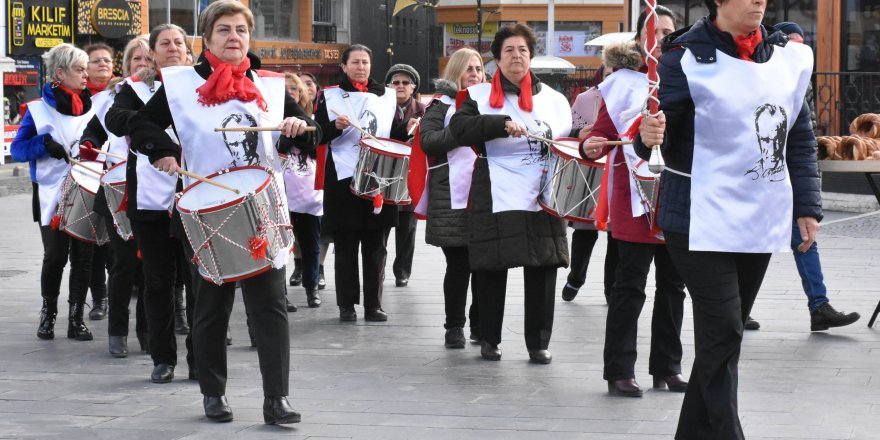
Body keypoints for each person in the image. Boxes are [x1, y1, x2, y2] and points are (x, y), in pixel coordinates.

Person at [636, 0, 820, 437]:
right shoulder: (681, 58)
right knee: (722, 332)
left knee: (725, 338)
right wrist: (647, 136)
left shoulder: (785, 57)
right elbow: (658, 133)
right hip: (698, 217)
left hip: (759, 215)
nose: (759, 0)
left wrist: (807, 206)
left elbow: (799, 135)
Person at [131, 0, 319, 423]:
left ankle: (277, 400)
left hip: (263, 210)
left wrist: (298, 129)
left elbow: (311, 131)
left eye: (241, 30)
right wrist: (161, 151)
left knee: (270, 307)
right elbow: (140, 124)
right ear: (207, 38)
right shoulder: (179, 84)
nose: (234, 37)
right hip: (207, 213)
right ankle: (213, 393)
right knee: (211, 309)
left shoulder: (270, 86)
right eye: (224, 30)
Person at [582, 6, 687, 398]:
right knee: (630, 286)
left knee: (674, 284)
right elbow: (600, 136)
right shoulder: (621, 84)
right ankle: (619, 369)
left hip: (676, 193)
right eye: (654, 31)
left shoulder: (685, 75)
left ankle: (668, 366)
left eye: (667, 31)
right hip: (634, 199)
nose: (661, 37)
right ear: (640, 40)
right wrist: (590, 145)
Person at [449, 24, 570, 364]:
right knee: (490, 265)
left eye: (523, 50)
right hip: (495, 186)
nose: (517, 56)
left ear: (531, 56)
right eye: (509, 51)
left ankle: (539, 343)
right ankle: (489, 338)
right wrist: (498, 122)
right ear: (497, 59)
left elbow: (568, 139)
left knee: (544, 265)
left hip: (543, 189)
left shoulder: (556, 100)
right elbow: (458, 130)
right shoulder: (477, 96)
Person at [742, 21, 860, 333]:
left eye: (800, 44)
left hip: (789, 177)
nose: (796, 51)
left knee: (804, 238)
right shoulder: (764, 78)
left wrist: (808, 204)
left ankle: (819, 305)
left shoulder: (799, 81)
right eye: (790, 45)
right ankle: (739, 308)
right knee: (755, 245)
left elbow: (802, 144)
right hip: (760, 179)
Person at [104, 24, 191, 381]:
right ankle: (163, 357)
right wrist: (152, 136)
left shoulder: (200, 82)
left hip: (195, 191)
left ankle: (201, 356)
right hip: (150, 195)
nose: (172, 48)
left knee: (196, 279)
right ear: (152, 52)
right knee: (158, 280)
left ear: (188, 49)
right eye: (164, 43)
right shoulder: (132, 89)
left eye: (179, 42)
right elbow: (116, 118)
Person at [11, 43, 96, 341]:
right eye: (79, 69)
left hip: (86, 191)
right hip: (50, 194)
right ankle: (48, 314)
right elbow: (17, 150)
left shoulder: (93, 107)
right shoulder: (37, 109)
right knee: (56, 256)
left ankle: (76, 319)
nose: (86, 75)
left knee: (83, 258)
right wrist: (43, 145)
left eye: (86, 69)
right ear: (60, 72)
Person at [79, 35, 153, 357]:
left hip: (158, 188)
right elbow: (94, 130)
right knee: (122, 262)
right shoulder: (113, 96)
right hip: (117, 187)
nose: (143, 65)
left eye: (149, 59)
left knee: (153, 264)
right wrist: (88, 143)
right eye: (137, 59)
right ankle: (117, 331)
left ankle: (148, 330)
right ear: (127, 64)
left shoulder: (169, 93)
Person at [315, 44, 398, 322]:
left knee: (377, 245)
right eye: (355, 62)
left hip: (378, 176)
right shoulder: (329, 96)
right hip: (343, 178)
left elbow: (394, 133)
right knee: (346, 246)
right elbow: (316, 135)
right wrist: (333, 128)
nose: (361, 67)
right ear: (343, 66)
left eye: (365, 62)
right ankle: (346, 305)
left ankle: (373, 304)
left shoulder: (387, 95)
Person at [418, 47, 484, 348]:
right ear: (456, 72)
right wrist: (463, 130)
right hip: (451, 197)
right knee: (459, 265)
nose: (474, 74)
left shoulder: (490, 102)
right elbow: (428, 141)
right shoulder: (441, 105)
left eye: (479, 68)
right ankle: (454, 325)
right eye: (468, 69)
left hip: (485, 193)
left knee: (485, 264)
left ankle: (481, 323)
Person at [562, 65, 617, 304]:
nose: (613, 79)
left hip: (617, 171)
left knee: (617, 235)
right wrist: (580, 133)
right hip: (590, 171)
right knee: (585, 232)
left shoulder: (634, 96)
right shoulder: (586, 99)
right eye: (608, 74)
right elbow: (569, 132)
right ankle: (575, 277)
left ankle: (611, 288)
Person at [283, 72, 322, 308]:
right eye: (284, 90)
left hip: (308, 190)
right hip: (280, 192)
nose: (290, 93)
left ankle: (312, 288)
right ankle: (281, 294)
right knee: (280, 247)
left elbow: (320, 149)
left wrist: (301, 133)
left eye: (294, 89)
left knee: (311, 244)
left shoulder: (312, 121)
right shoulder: (267, 119)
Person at [384, 63, 426, 287]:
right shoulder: (380, 107)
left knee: (407, 228)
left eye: (405, 82)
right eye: (396, 82)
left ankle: (402, 271)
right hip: (384, 173)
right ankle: (379, 268)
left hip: (410, 175)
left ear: (413, 87)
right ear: (389, 86)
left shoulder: (425, 110)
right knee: (381, 226)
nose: (400, 86)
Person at [83, 43, 116, 321]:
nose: (103, 64)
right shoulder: (81, 99)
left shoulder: (122, 93)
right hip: (86, 178)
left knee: (115, 246)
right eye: (96, 61)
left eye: (107, 60)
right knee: (95, 243)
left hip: (115, 178)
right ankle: (99, 298)